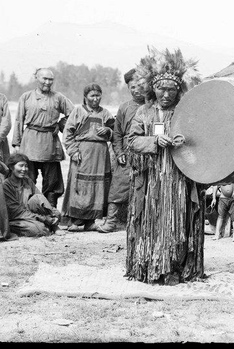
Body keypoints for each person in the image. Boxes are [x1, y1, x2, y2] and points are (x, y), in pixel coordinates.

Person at [126, 46, 204, 285]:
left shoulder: (185, 112)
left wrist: (184, 141)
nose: (166, 94)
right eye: (161, 89)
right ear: (153, 88)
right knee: (153, 220)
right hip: (151, 179)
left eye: (171, 89)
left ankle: (174, 268)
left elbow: (200, 139)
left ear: (178, 90)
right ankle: (149, 266)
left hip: (179, 178)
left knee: (178, 221)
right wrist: (154, 140)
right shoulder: (144, 112)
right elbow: (131, 140)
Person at [11, 68, 74, 209]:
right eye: (44, 78)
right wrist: (16, 144)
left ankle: (51, 212)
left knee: (53, 182)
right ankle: (27, 212)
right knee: (27, 179)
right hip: (30, 143)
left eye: (50, 79)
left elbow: (74, 115)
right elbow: (19, 121)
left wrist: (60, 124)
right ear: (36, 78)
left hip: (50, 144)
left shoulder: (58, 97)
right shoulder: (26, 97)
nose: (47, 82)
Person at [97, 68, 147, 233]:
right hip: (126, 151)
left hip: (146, 151)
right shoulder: (124, 107)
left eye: (139, 86)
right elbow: (117, 133)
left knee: (145, 187)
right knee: (119, 185)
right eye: (132, 87)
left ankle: (142, 223)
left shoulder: (151, 107)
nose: (136, 90)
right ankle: (111, 221)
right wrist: (119, 153)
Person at [61, 83, 115, 232]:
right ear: (85, 97)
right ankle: (75, 220)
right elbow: (68, 134)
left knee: (97, 187)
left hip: (100, 154)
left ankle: (90, 221)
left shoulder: (105, 113)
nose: (96, 99)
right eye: (92, 96)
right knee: (79, 185)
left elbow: (116, 133)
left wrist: (108, 131)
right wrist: (73, 151)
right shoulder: (78, 111)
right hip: (82, 153)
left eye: (98, 95)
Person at [2, 153, 64, 237]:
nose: (24, 169)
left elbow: (40, 199)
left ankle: (53, 225)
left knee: (39, 199)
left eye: (26, 166)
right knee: (40, 229)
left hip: (30, 214)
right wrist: (44, 219)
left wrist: (53, 213)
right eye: (20, 166)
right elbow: (17, 212)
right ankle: (46, 225)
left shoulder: (27, 181)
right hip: (16, 218)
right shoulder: (6, 185)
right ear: (11, 167)